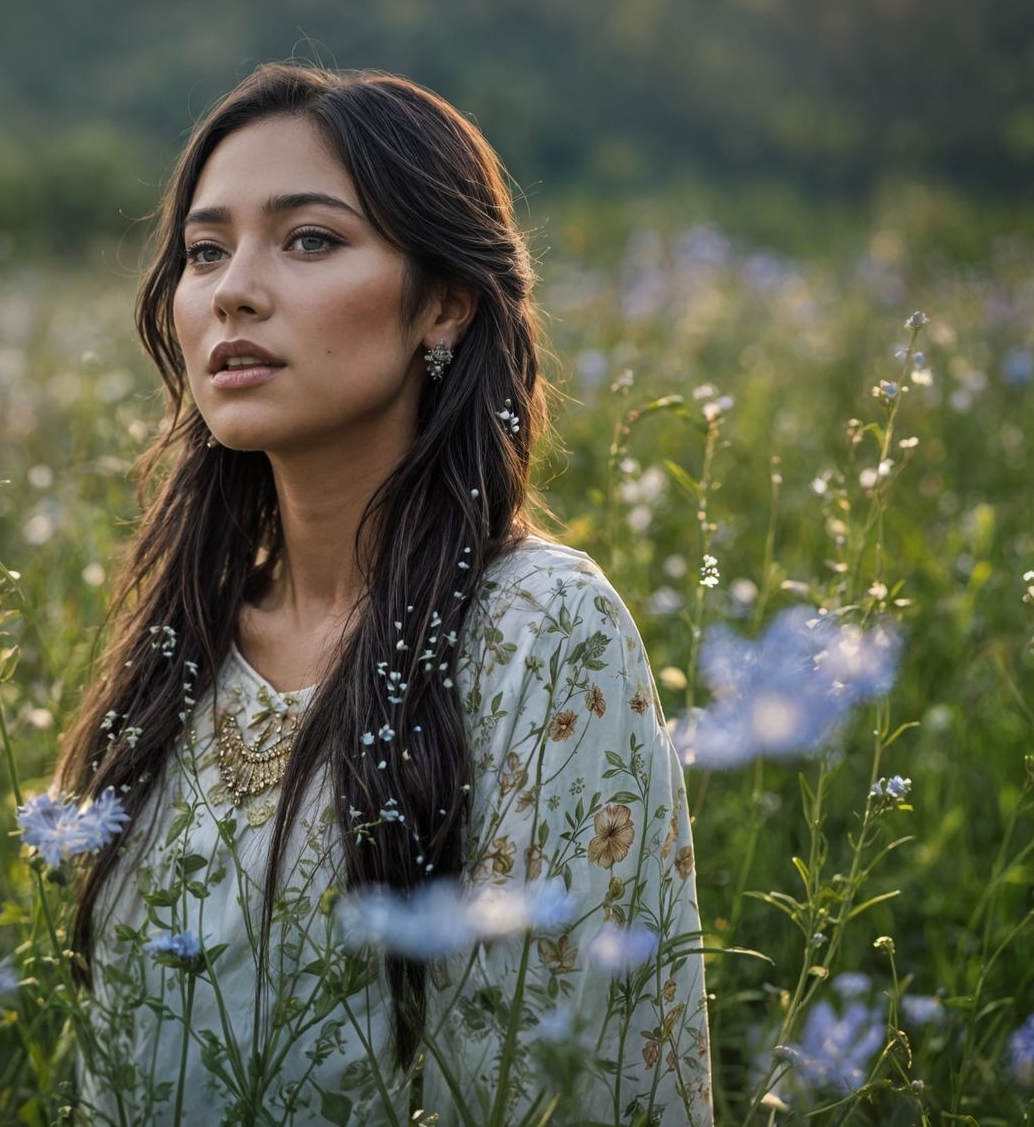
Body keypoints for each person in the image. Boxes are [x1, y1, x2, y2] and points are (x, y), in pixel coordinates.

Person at [52, 60, 713, 1125]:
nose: (233, 289)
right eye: (205, 250)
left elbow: (581, 1070)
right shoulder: (186, 625)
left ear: (443, 304)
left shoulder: (541, 628)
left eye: (309, 239)